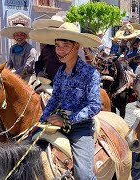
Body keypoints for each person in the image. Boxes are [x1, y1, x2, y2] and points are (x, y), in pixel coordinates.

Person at [29, 22, 102, 180]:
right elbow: (54, 99)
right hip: (57, 123)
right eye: (57, 46)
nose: (59, 51)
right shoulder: (61, 72)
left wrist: (67, 120)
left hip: (81, 128)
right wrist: (41, 121)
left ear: (77, 46)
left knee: (84, 175)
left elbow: (95, 106)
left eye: (65, 45)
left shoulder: (90, 73)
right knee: (28, 148)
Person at [32, 15, 65, 81]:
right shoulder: (46, 48)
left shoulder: (67, 48)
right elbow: (39, 63)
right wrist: (39, 72)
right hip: (48, 83)